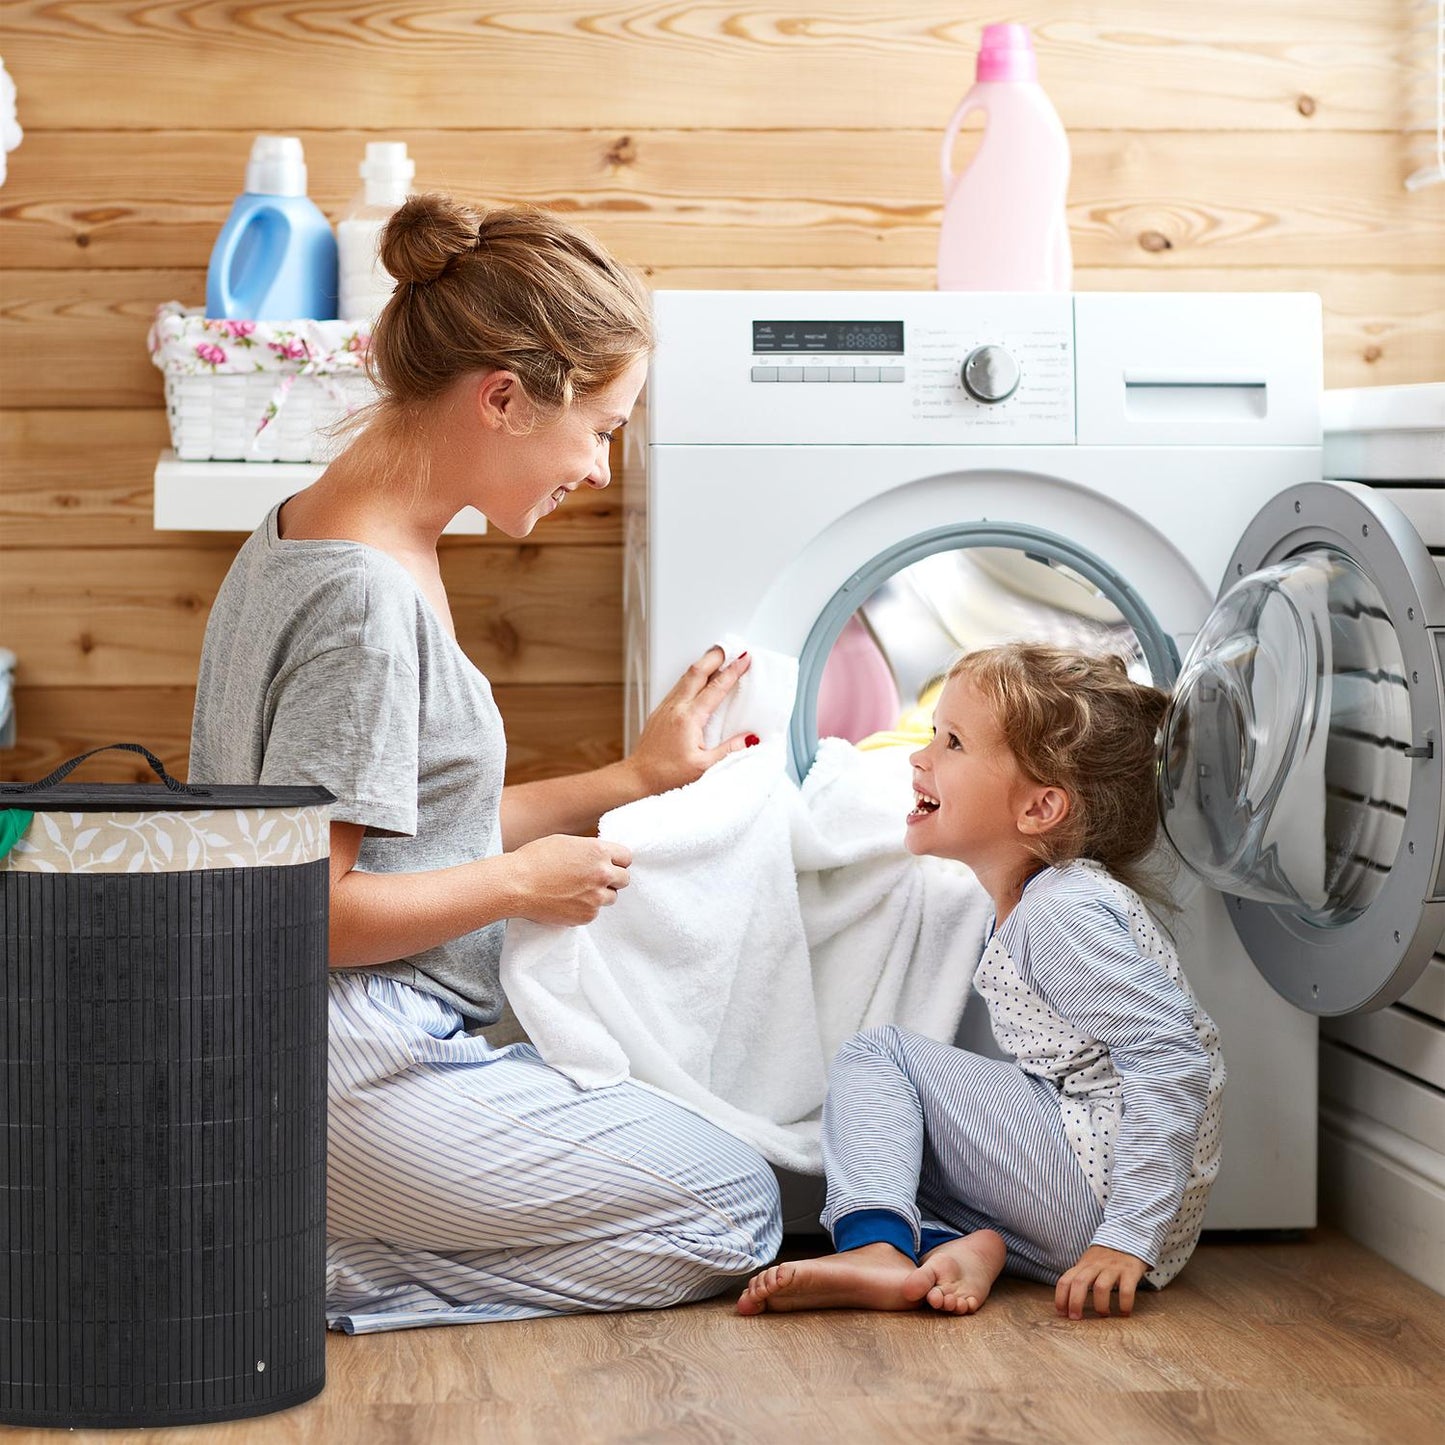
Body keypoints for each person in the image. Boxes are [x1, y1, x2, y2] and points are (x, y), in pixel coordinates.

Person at [190, 194, 782, 1332]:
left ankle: (310, 1234)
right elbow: (305, 907)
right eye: (601, 427)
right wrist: (525, 884)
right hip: (342, 1064)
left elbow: (414, 821)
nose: (602, 468)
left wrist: (633, 777)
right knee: (739, 1208)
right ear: (503, 398)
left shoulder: (320, 531)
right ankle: (308, 1272)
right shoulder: (364, 600)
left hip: (292, 1049)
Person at [737, 643, 1224, 1321]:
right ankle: (969, 1246)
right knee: (895, 1137)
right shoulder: (1043, 902)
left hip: (1106, 1197)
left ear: (1038, 808)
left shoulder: (1061, 909)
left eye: (954, 742)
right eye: (933, 733)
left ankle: (875, 1249)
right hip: (1097, 1196)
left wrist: (1126, 1236)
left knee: (879, 1058)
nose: (920, 755)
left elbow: (1171, 1056)